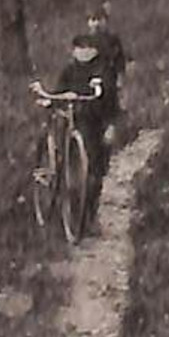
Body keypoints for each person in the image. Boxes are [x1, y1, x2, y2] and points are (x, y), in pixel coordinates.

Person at [31, 33, 113, 233]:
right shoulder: (69, 70)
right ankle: (57, 168)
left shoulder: (103, 71)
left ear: (95, 50)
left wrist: (111, 124)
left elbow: (111, 102)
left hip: (94, 124)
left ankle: (89, 217)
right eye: (79, 48)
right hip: (72, 117)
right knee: (65, 151)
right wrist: (54, 97)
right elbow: (60, 90)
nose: (83, 52)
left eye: (87, 48)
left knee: (94, 173)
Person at [85, 4, 132, 145]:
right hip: (90, 80)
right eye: (92, 20)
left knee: (111, 101)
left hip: (107, 78)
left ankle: (111, 128)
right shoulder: (86, 41)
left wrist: (120, 78)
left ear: (106, 21)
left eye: (99, 20)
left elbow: (120, 60)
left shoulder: (112, 40)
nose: (96, 24)